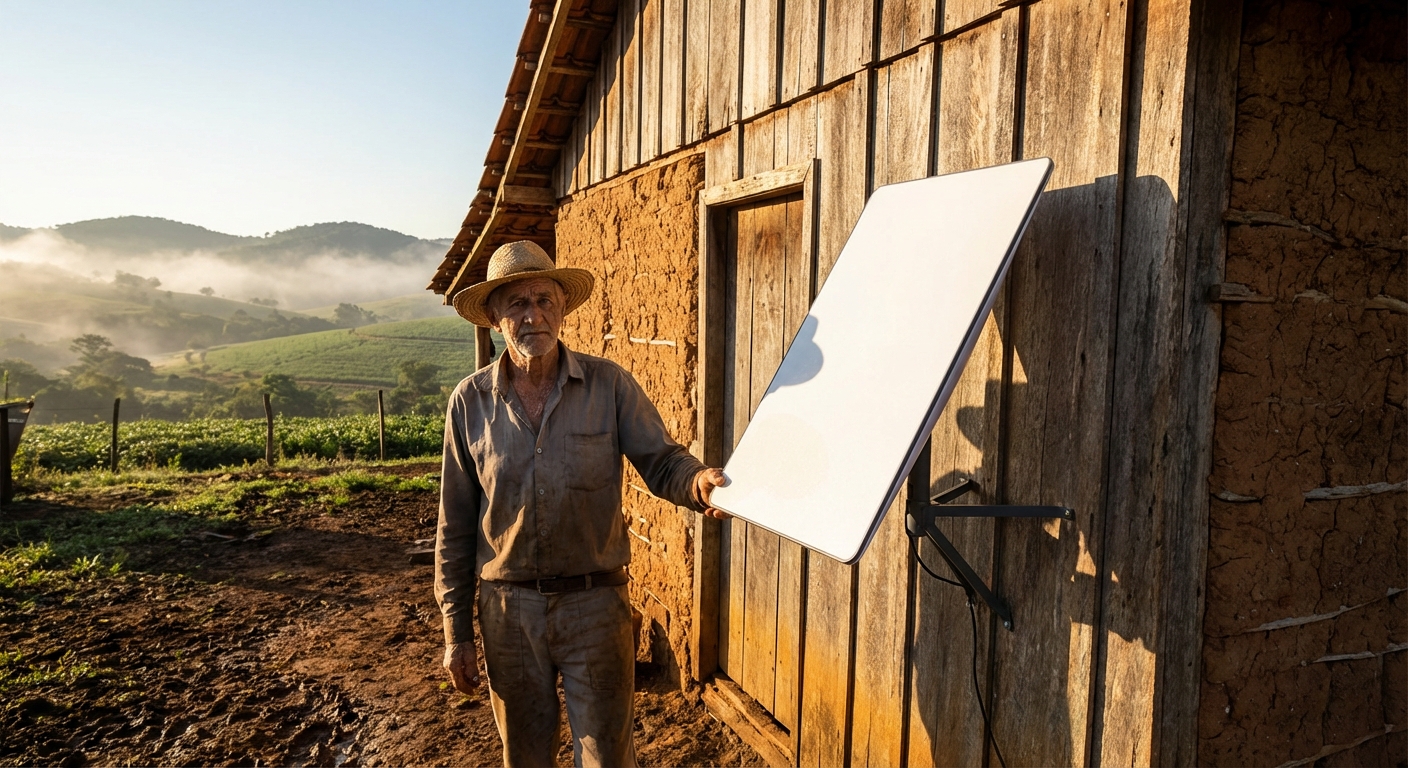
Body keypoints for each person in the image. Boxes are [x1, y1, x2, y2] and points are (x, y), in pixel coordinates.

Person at [435, 240, 730, 767]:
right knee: (525, 754)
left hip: (595, 606)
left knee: (608, 757)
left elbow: (661, 460)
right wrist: (457, 633)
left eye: (544, 300)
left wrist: (697, 482)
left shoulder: (608, 385)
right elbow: (454, 528)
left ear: (563, 308)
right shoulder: (470, 403)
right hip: (508, 611)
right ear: (495, 319)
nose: (533, 315)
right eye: (517, 304)